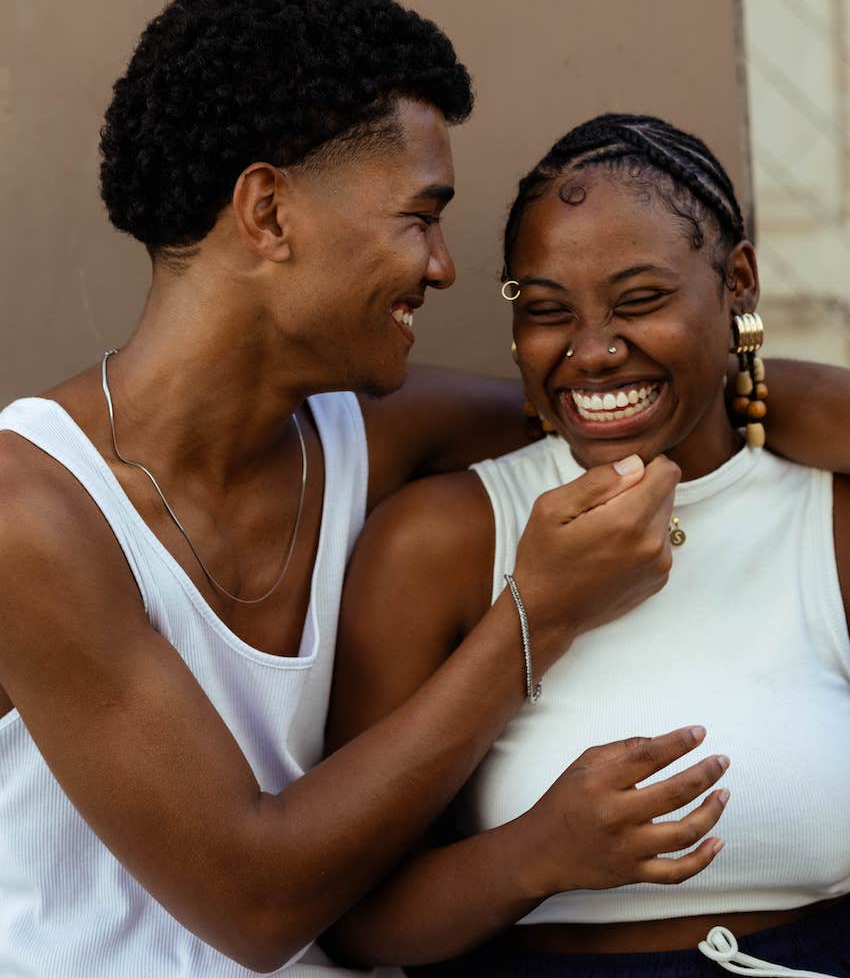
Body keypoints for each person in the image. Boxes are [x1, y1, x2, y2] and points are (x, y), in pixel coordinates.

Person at [0, 0, 738, 978]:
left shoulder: (379, 435)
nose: (441, 267)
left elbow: (666, 392)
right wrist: (537, 619)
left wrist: (751, 364)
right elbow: (256, 908)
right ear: (268, 212)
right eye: (419, 215)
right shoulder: (32, 513)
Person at [325, 113, 850, 977]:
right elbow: (353, 921)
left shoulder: (823, 520)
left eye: (640, 300)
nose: (593, 352)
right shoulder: (441, 542)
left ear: (738, 285)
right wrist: (535, 854)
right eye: (545, 312)